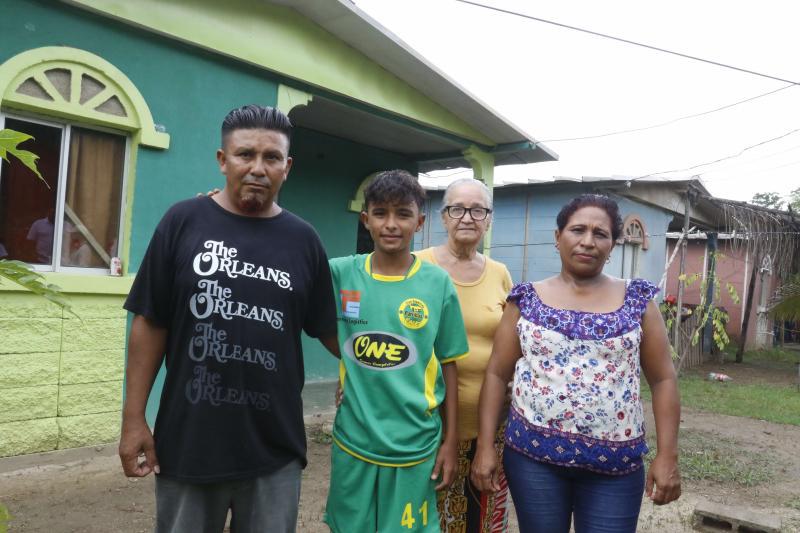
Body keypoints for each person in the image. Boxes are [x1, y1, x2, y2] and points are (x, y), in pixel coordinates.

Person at [120, 104, 338, 533]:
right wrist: (133, 419)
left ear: (287, 166)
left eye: (271, 157)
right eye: (245, 154)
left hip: (275, 449)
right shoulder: (183, 222)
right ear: (223, 160)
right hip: (188, 442)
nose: (258, 168)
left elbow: (333, 332)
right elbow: (150, 323)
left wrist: (383, 367)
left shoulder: (304, 240)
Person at [471, 194, 681, 532]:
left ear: (613, 244)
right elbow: (497, 373)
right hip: (533, 461)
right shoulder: (526, 300)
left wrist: (667, 455)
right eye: (577, 230)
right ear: (558, 237)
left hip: (615, 468)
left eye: (600, 234)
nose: (588, 241)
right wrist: (485, 447)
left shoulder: (638, 301)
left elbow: (663, 380)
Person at [325, 170, 469, 532]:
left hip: (415, 444)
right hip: (353, 440)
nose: (391, 224)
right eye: (381, 213)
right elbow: (299, 297)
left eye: (403, 214)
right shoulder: (340, 274)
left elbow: (450, 364)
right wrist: (352, 360)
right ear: (365, 219)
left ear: (419, 222)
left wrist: (450, 441)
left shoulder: (436, 283)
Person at [414, 178, 513, 533]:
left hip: (489, 427)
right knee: (427, 519)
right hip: (428, 427)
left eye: (478, 210)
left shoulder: (500, 274)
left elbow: (512, 342)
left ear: (489, 219)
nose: (467, 217)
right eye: (457, 209)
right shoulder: (416, 266)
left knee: (480, 522)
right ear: (443, 217)